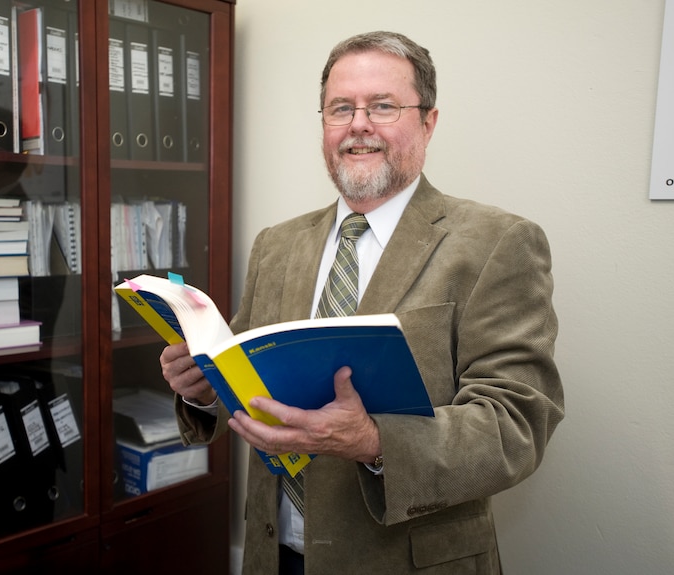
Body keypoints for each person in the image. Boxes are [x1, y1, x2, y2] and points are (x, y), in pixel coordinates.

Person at [159, 30, 564, 574]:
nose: (358, 124)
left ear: (429, 122)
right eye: (340, 108)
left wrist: (374, 441)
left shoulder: (497, 242)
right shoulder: (275, 244)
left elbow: (516, 425)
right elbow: (248, 374)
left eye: (383, 106)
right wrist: (205, 388)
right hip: (273, 555)